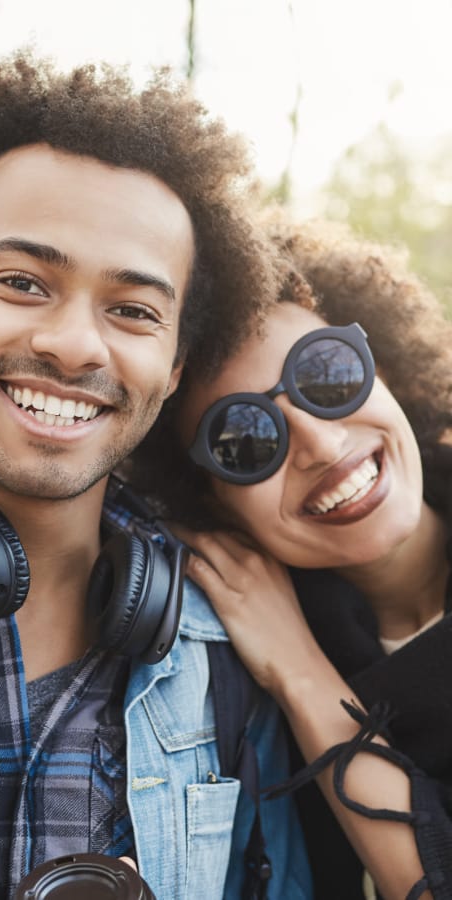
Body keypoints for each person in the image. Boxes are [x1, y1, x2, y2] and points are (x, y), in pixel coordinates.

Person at [0, 50, 312, 900]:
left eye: (132, 310)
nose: (76, 344)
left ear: (176, 361)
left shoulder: (233, 664)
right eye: (23, 282)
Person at [128, 208, 452, 900]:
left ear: (384, 368)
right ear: (212, 501)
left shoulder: (286, 654)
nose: (324, 446)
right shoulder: (223, 674)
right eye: (244, 441)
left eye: (328, 377)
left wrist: (304, 675)